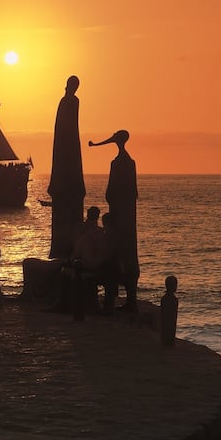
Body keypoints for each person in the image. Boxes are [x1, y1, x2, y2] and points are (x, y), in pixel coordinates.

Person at [89, 130, 139, 311]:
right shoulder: (129, 162)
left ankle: (117, 298)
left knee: (118, 249)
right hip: (126, 212)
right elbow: (133, 191)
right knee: (127, 248)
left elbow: (111, 190)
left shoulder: (117, 163)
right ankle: (129, 299)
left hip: (120, 210)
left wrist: (112, 199)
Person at [47, 75, 86, 260]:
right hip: (66, 149)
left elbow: (70, 128)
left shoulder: (70, 101)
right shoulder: (68, 102)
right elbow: (65, 129)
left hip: (67, 149)